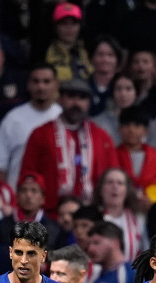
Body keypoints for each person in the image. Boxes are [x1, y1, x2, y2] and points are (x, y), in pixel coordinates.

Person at [19, 77, 118, 212]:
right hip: (50, 212)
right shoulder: (41, 134)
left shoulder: (102, 137)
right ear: (60, 99)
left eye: (82, 98)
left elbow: (112, 174)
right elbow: (28, 174)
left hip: (91, 212)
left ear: (88, 103)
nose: (76, 103)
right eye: (71, 96)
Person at [0, 64, 62, 190]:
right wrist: (4, 195)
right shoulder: (13, 119)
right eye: (36, 81)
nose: (41, 87)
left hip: (55, 194)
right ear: (28, 84)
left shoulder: (62, 117)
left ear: (56, 85)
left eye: (46, 82)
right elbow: (0, 164)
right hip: (18, 193)